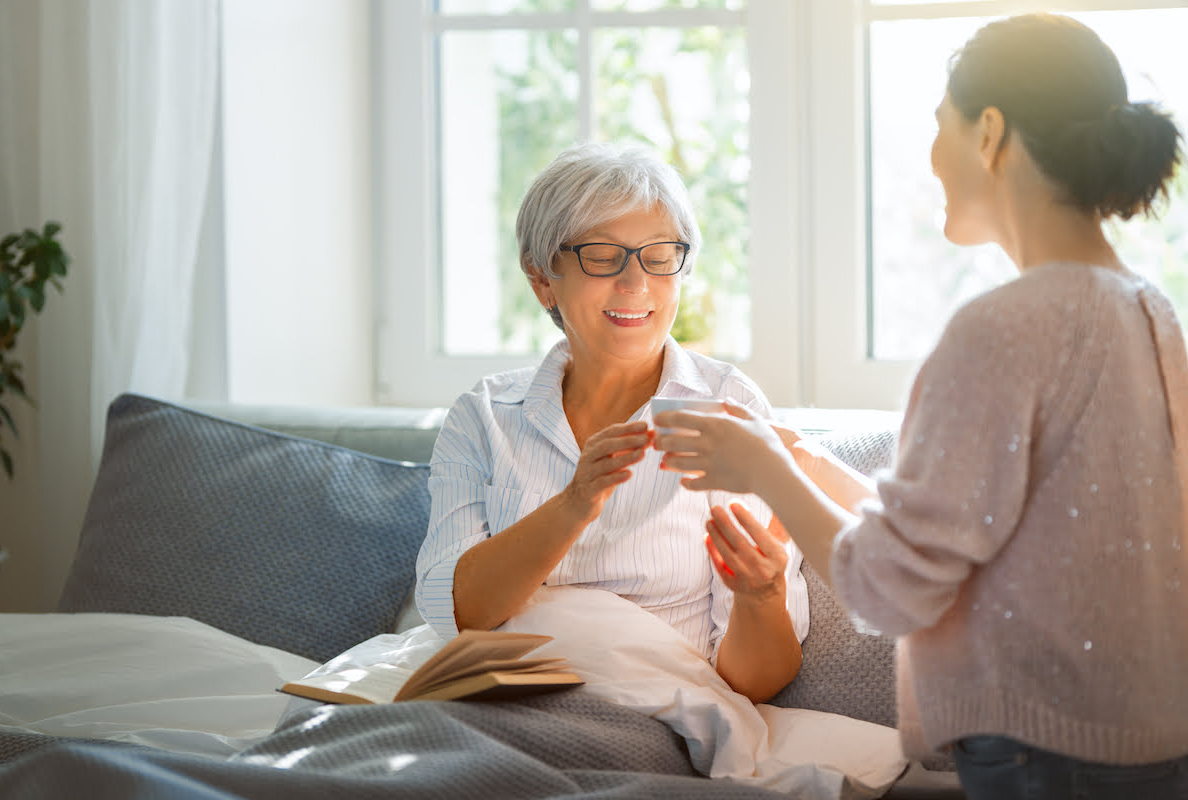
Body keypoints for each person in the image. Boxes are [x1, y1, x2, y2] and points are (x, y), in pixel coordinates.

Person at [654, 12, 1188, 800]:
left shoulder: (1002, 329)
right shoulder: (1150, 312)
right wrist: (800, 459)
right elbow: (969, 538)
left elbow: (891, 586)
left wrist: (763, 470)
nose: (931, 158)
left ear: (991, 132)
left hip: (1041, 753)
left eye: (941, 126)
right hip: (1147, 742)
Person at [414, 142, 808, 703]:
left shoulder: (728, 406)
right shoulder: (483, 417)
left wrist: (763, 594)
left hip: (655, 716)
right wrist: (575, 502)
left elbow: (754, 682)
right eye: (603, 256)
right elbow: (451, 611)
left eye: (659, 254)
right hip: (495, 707)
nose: (635, 282)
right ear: (542, 278)